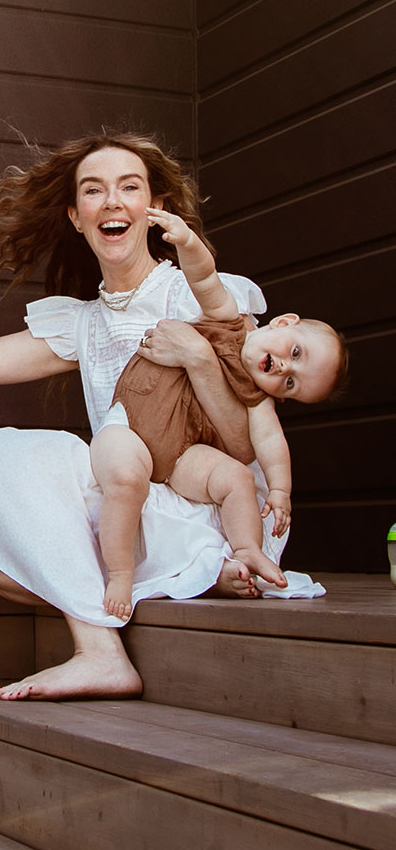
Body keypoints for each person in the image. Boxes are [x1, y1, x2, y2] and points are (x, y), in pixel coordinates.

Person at [0, 131, 324, 703]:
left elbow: (245, 446)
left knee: (55, 461)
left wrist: (197, 357)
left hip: (215, 498)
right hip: (127, 499)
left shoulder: (202, 294)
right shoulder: (83, 323)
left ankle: (104, 648)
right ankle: (136, 596)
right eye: (94, 191)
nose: (113, 201)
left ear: (156, 209)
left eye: (130, 187)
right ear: (77, 216)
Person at [94, 204, 347, 620]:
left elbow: (271, 444)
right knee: (124, 478)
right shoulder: (228, 320)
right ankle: (120, 573)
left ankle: (247, 549)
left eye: (292, 383)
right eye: (296, 353)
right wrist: (188, 242)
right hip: (132, 424)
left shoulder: (257, 397)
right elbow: (204, 278)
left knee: (236, 477)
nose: (285, 369)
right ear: (283, 323)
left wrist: (281, 491)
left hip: (182, 454)